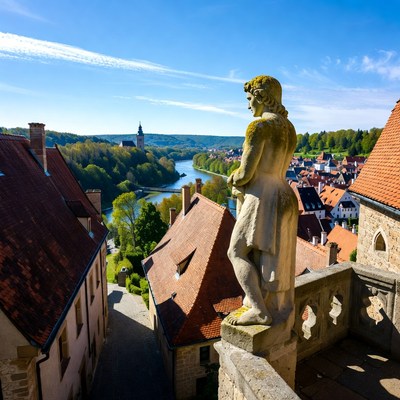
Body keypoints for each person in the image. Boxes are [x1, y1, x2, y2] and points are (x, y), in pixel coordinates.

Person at [227, 75, 298, 326]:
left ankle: (259, 309)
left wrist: (233, 176)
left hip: (262, 197)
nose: (248, 106)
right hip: (285, 194)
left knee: (235, 252)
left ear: (260, 96)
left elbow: (246, 172)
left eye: (249, 99)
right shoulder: (289, 129)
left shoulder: (258, 128)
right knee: (270, 258)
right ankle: (262, 301)